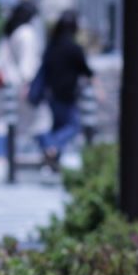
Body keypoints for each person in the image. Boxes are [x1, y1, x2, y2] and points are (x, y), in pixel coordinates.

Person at [35, 10, 94, 172]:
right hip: (68, 94)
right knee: (73, 126)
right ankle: (51, 146)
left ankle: (53, 162)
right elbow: (86, 70)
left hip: (51, 93)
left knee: (59, 125)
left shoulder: (52, 46)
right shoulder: (74, 48)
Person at [0, 0, 41, 180]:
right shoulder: (27, 33)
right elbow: (28, 63)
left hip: (8, 84)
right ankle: (49, 155)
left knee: (5, 121)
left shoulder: (9, 31)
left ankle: (0, 156)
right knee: (39, 120)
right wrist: (29, 83)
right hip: (22, 84)